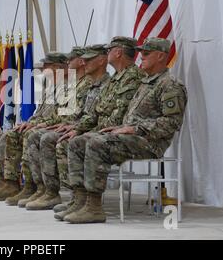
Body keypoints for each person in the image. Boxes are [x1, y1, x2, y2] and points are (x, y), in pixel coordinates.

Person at [65, 37, 188, 224]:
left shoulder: (170, 85)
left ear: (161, 57)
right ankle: (80, 199)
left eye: (146, 53)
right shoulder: (147, 83)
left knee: (96, 143)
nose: (141, 57)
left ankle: (94, 206)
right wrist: (120, 128)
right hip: (131, 136)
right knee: (77, 142)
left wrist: (135, 128)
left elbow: (171, 123)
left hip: (149, 142)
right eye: (141, 53)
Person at [55, 36, 146, 220]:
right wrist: (78, 128)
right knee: (73, 140)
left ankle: (93, 206)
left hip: (119, 134)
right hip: (105, 131)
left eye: (110, 49)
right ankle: (80, 200)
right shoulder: (115, 80)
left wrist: (89, 131)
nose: (108, 52)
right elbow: (96, 112)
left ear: (118, 52)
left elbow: (119, 116)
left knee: (86, 142)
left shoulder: (133, 78)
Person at [26, 44, 110, 211]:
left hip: (89, 128)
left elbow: (78, 114)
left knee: (48, 137)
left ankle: (65, 193)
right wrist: (38, 122)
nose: (68, 62)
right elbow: (61, 114)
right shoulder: (65, 85)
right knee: (31, 134)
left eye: (46, 66)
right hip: (77, 126)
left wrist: (72, 127)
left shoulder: (87, 83)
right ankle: (36, 187)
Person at [0, 52, 69, 203]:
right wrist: (29, 121)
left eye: (47, 65)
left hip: (53, 128)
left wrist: (36, 124)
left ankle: (34, 186)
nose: (43, 69)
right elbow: (39, 113)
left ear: (58, 67)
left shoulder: (68, 87)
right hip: (40, 125)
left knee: (26, 135)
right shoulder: (49, 87)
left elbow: (64, 117)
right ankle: (5, 181)